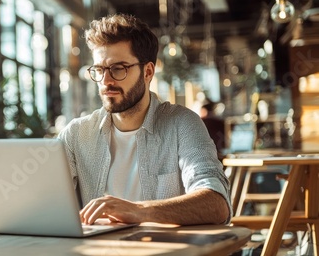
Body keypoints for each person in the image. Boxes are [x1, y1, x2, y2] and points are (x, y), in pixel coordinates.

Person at [57, 14, 232, 226]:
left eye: (118, 69)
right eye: (99, 70)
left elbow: (216, 203)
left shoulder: (182, 124)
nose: (106, 81)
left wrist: (139, 211)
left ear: (148, 71)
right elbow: (44, 200)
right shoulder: (77, 134)